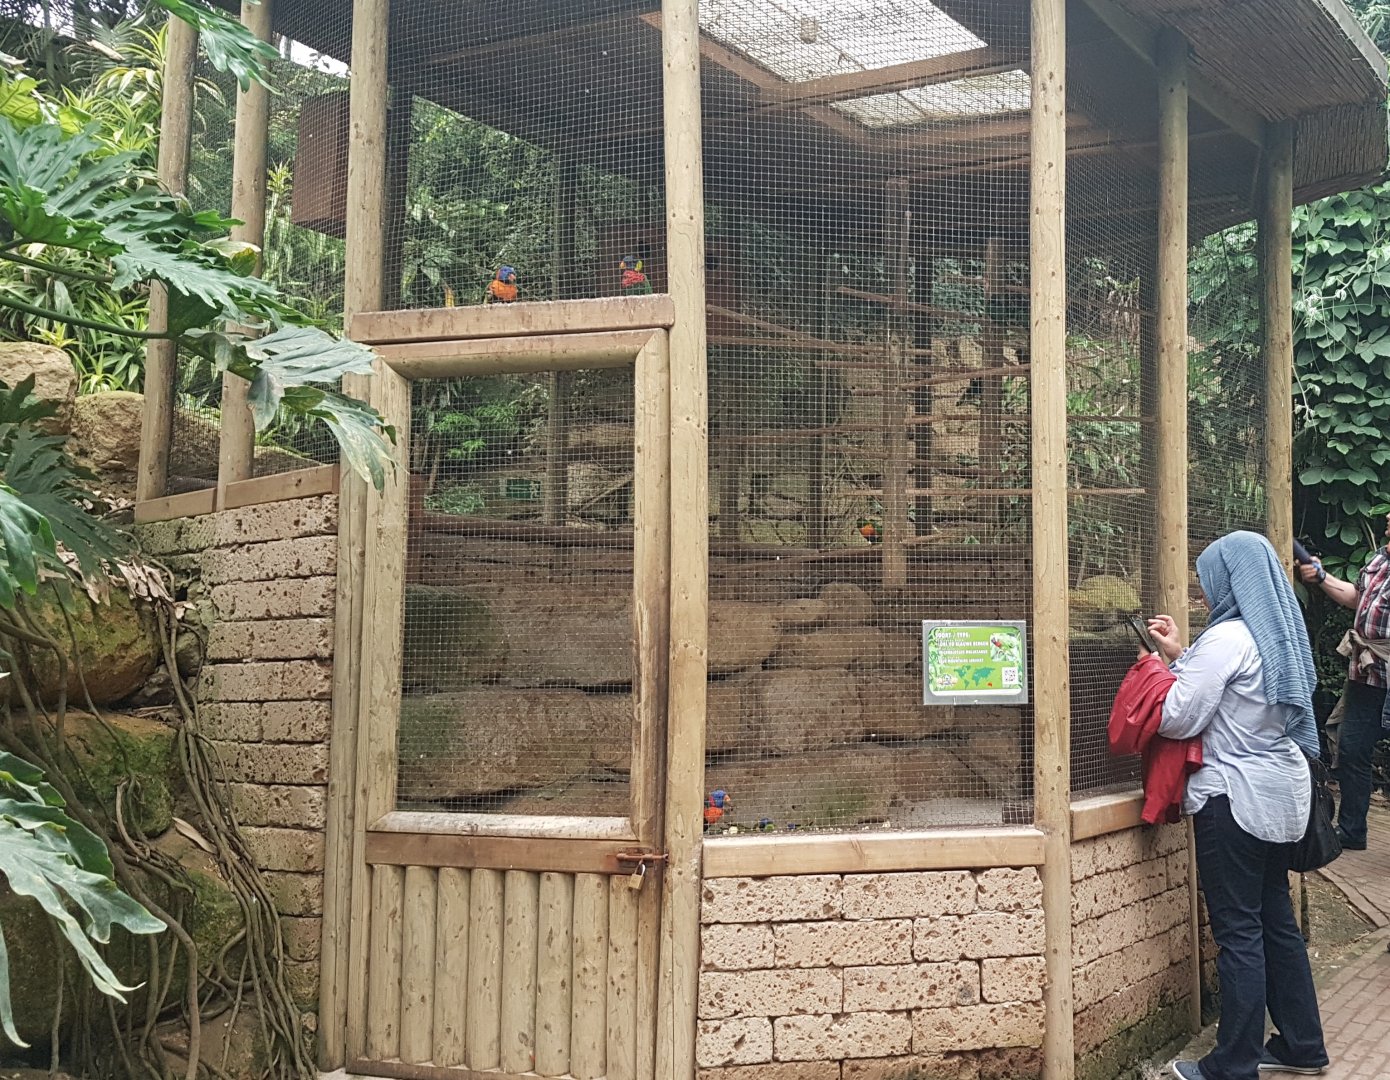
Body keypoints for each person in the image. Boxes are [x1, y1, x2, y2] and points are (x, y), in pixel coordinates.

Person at [1147, 532, 1328, 1080]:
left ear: (1232, 578)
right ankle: (1302, 1045)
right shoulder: (1278, 635)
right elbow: (1239, 692)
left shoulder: (1227, 637)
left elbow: (1179, 716)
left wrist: (1159, 671)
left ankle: (1231, 1065)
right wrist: (1183, 655)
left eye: (1208, 576)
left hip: (1234, 800)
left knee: (1239, 932)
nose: (1203, 587)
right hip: (1280, 799)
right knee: (1276, 921)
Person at [1298, 513, 1390, 851]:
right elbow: (1357, 597)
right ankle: (1352, 831)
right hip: (1367, 672)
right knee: (1352, 748)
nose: (1389, 517)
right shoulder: (1381, 556)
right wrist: (1322, 577)